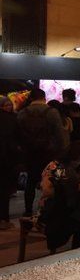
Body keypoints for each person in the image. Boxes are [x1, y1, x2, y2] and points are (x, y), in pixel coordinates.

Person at [17, 88, 68, 216]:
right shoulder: (51, 112)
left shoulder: (23, 113)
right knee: (53, 181)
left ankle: (28, 210)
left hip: (30, 153)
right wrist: (62, 153)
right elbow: (60, 135)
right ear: (44, 98)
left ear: (31, 98)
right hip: (49, 153)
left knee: (30, 182)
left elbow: (17, 134)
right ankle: (50, 210)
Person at [0, 96, 20, 230]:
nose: (8, 107)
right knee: (4, 189)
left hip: (5, 157)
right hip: (7, 158)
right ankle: (3, 219)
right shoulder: (13, 119)